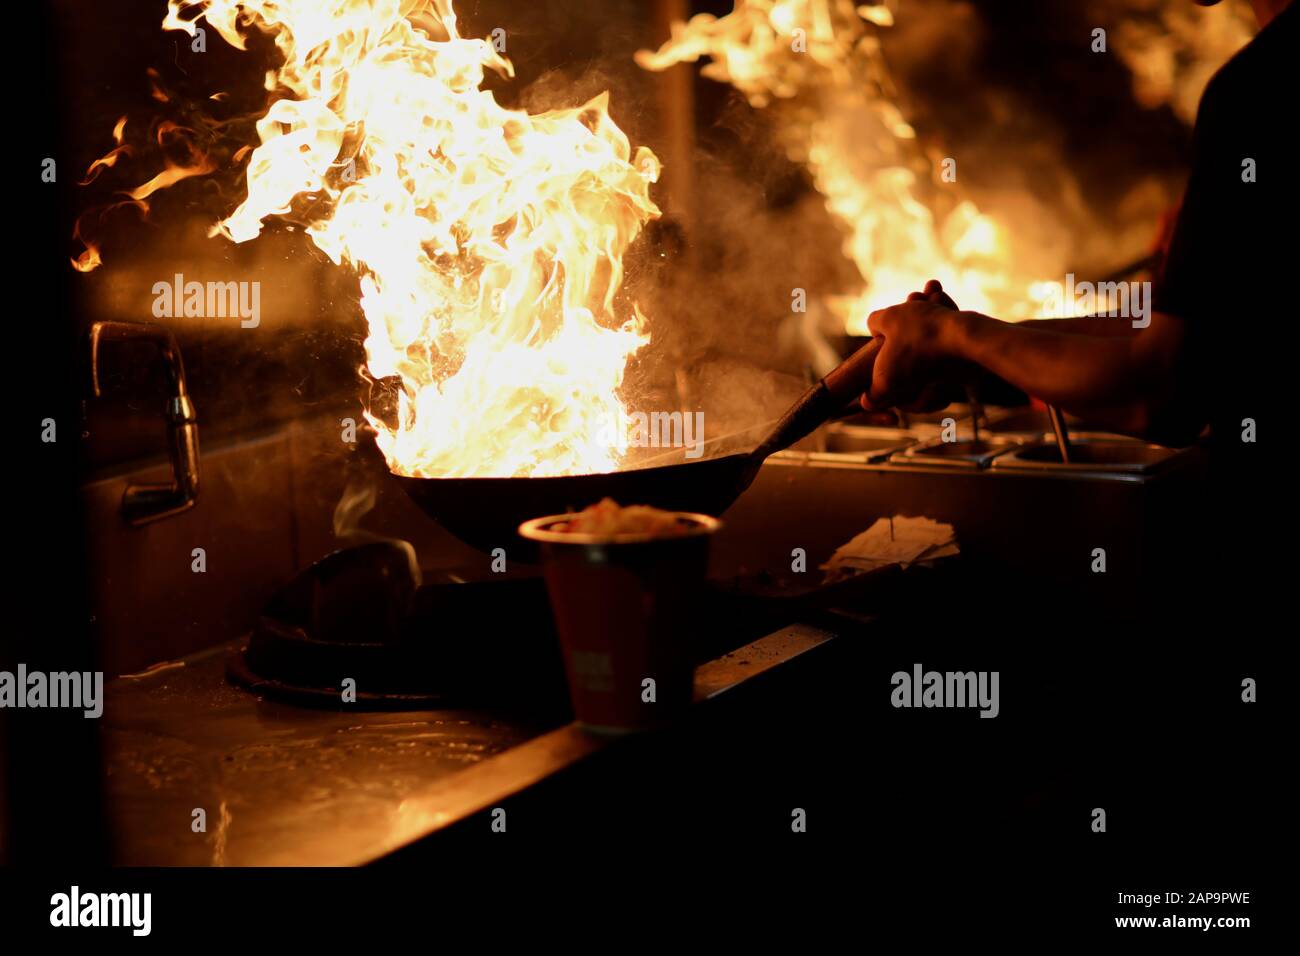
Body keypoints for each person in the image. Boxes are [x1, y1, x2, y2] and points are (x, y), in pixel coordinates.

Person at [858, 0, 1294, 473]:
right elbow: (1196, 340)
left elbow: (1162, 393)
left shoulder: (1258, 92)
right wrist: (970, 349)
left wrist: (954, 333)